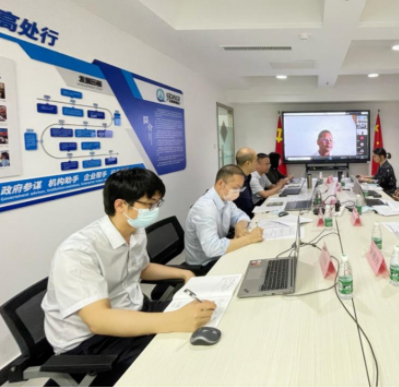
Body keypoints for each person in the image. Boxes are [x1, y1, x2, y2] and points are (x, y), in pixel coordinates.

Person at [42, 168, 216, 386]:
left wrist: (183, 273)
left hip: (134, 309)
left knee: (207, 319)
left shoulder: (135, 231)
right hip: (93, 340)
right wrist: (174, 320)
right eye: (149, 204)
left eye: (157, 203)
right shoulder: (78, 252)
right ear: (121, 205)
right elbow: (98, 320)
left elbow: (141, 268)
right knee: (177, 362)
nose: (154, 210)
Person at [185, 164, 264, 268]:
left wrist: (240, 226)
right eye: (235, 188)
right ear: (221, 183)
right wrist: (249, 238)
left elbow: (241, 215)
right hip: (204, 265)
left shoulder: (225, 199)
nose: (238, 192)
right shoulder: (204, 209)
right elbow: (212, 248)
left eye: (240, 188)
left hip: (219, 255)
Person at [233, 147, 258, 218]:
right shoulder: (236, 180)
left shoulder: (247, 177)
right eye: (256, 161)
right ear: (248, 163)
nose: (257, 164)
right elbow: (243, 206)